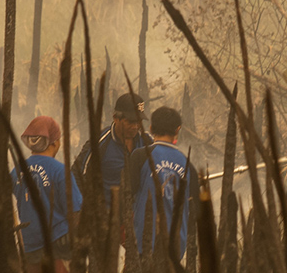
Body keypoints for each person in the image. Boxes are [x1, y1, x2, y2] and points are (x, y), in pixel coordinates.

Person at [13, 115, 82, 273]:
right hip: (58, 247)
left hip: (28, 246)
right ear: (55, 142)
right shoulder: (60, 171)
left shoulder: (17, 170)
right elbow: (75, 212)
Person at [126, 106, 196, 260]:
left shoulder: (139, 156)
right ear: (177, 130)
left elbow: (127, 197)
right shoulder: (188, 165)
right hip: (176, 248)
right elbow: (195, 209)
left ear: (151, 128)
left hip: (144, 245)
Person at [72, 93, 153, 212]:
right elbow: (76, 174)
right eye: (130, 122)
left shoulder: (147, 142)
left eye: (139, 122)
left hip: (136, 215)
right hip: (106, 215)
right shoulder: (99, 142)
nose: (135, 127)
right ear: (116, 118)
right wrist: (86, 208)